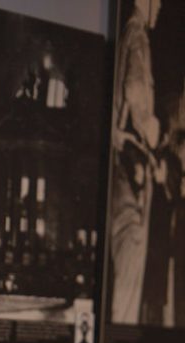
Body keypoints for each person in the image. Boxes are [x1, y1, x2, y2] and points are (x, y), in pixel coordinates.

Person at [110, 0, 162, 324]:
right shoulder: (138, 34)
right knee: (131, 260)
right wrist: (153, 132)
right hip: (132, 168)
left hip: (121, 166)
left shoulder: (126, 35)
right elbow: (137, 93)